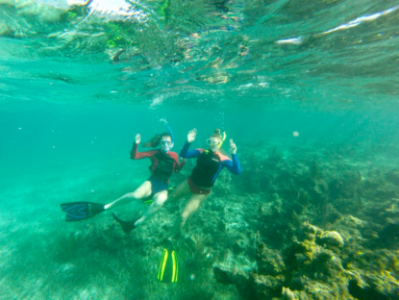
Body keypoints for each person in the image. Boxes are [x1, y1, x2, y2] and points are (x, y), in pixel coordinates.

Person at [60, 126, 185, 232]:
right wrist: (135, 144)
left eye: (168, 142)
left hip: (163, 186)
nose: (165, 145)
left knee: (160, 201)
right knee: (134, 196)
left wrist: (183, 163)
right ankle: (105, 207)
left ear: (172, 143)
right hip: (152, 182)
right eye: (163, 142)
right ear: (160, 143)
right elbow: (134, 156)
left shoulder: (174, 155)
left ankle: (137, 222)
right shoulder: (154, 153)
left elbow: (177, 170)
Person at [166, 128, 241, 238]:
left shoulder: (223, 158)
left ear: (220, 143)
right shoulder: (201, 151)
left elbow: (237, 171)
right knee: (170, 199)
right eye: (209, 141)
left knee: (183, 216)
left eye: (214, 142)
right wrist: (188, 142)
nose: (210, 144)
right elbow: (184, 154)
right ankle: (171, 191)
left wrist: (234, 154)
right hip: (189, 183)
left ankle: (170, 237)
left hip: (202, 192)